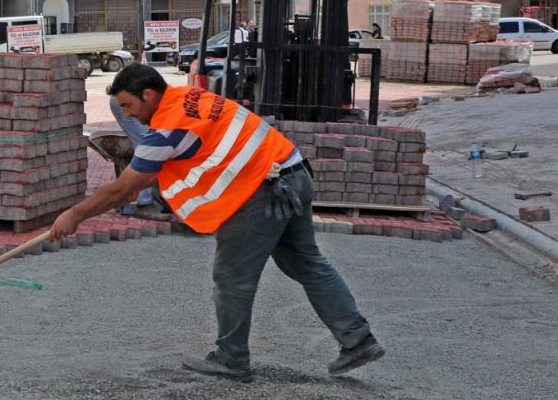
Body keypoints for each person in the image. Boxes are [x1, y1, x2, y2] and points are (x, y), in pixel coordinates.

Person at [50, 63, 384, 381]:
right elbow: (170, 166)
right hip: (293, 173)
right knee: (309, 264)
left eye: (127, 105)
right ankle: (358, 341)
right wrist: (140, 177)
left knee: (232, 277)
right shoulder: (191, 98)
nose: (127, 115)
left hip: (261, 190)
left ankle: (231, 359)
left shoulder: (166, 126)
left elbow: (123, 188)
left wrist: (74, 214)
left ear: (148, 95)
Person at [109, 97, 172, 221]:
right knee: (147, 148)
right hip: (129, 100)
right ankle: (144, 204)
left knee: (154, 147)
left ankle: (156, 197)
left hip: (136, 99)